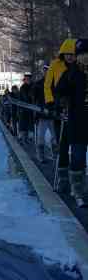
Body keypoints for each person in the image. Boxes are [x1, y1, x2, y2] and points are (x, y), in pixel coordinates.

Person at [55, 45, 88, 204]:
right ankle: (77, 189)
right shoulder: (71, 74)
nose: (85, 57)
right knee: (78, 155)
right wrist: (62, 100)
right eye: (82, 54)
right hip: (78, 120)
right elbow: (59, 91)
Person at [45, 39, 77, 191]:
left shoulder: (79, 67)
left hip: (76, 110)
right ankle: (63, 178)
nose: (70, 57)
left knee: (77, 146)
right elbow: (48, 85)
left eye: (73, 54)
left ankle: (76, 177)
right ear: (63, 53)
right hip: (60, 108)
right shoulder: (55, 65)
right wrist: (50, 102)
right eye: (67, 54)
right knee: (63, 144)